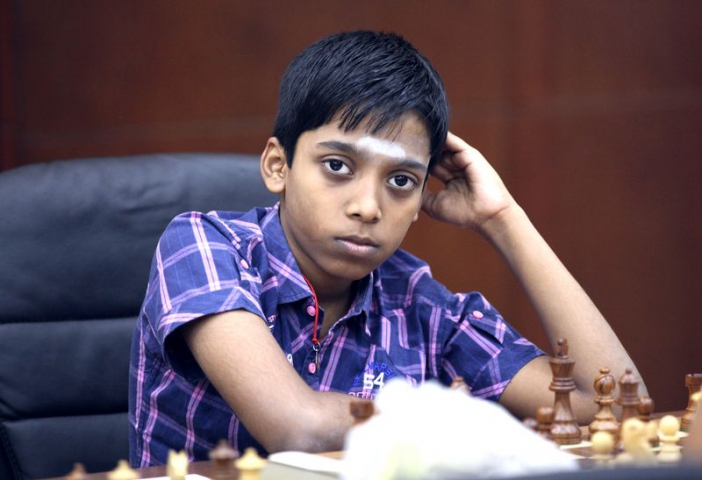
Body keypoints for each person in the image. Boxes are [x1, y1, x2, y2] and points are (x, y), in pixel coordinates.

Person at [128, 30, 645, 467]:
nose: (368, 207)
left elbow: (618, 410)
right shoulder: (204, 247)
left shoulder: (417, 302)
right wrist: (451, 419)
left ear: (420, 200)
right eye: (337, 166)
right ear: (278, 167)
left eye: (401, 181)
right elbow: (296, 427)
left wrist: (504, 219)